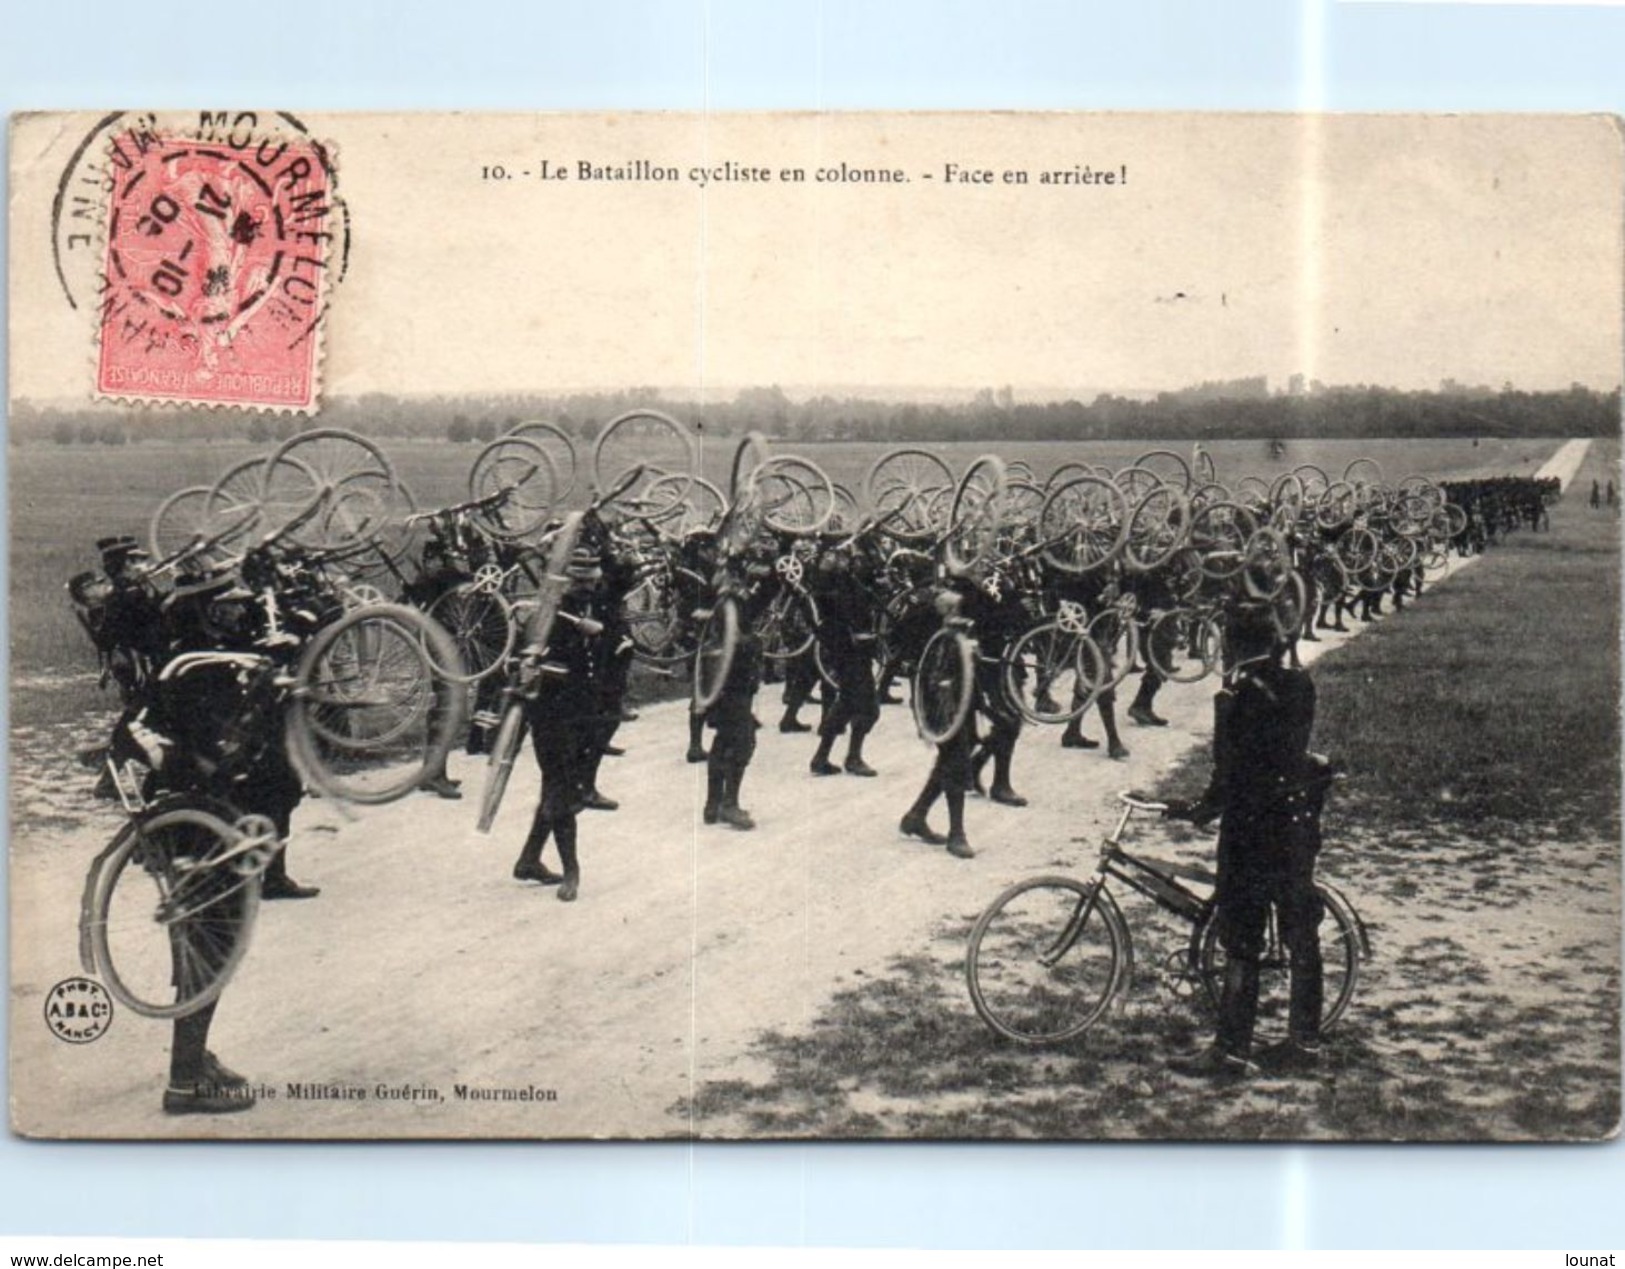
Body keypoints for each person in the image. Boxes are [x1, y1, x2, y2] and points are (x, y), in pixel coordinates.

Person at [1162, 607, 1333, 1079]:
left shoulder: (1233, 697)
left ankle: (1231, 1051)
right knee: (1301, 934)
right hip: (1295, 827)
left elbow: (1228, 774)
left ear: (1234, 648)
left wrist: (1197, 810)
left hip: (1251, 832)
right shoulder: (1300, 685)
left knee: (1242, 940)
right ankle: (1305, 1044)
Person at [511, 547, 604, 901]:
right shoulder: (544, 619)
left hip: (580, 713)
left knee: (557, 788)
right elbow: (524, 666)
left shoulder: (584, 606)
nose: (587, 587)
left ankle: (529, 858)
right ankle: (571, 872)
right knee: (561, 791)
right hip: (550, 715)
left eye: (591, 580)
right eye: (579, 581)